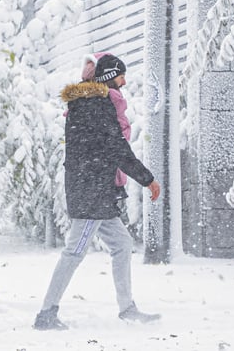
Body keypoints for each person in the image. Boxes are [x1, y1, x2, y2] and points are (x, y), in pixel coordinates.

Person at [33, 54, 162, 330]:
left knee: (122, 244)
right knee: (74, 253)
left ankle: (127, 308)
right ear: (108, 77)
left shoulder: (88, 103)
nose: (124, 82)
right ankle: (46, 313)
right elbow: (117, 148)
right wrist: (147, 179)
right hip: (91, 194)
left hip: (97, 192)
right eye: (120, 76)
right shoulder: (95, 105)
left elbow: (105, 149)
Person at [82, 53, 132, 202]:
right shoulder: (110, 100)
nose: (124, 82)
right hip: (107, 179)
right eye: (121, 77)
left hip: (98, 179)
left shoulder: (84, 104)